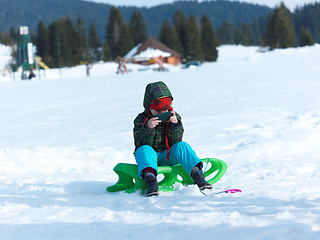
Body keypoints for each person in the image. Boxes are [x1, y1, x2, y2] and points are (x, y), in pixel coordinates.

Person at [133, 81, 212, 197]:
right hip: (150, 156)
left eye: (165, 110)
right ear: (148, 107)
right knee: (143, 149)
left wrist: (174, 125)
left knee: (182, 146)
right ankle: (151, 182)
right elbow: (140, 143)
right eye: (158, 111)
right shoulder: (141, 119)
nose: (162, 113)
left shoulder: (174, 116)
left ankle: (198, 176)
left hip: (169, 155)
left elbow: (176, 142)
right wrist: (148, 128)